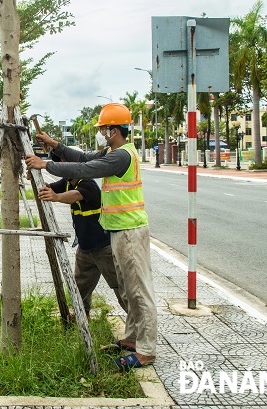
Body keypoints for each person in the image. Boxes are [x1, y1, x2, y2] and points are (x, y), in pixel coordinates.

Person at [26, 103, 157, 371]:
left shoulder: (121, 156)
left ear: (113, 130)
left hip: (130, 232)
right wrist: (55, 145)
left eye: (104, 129)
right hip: (118, 231)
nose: (101, 133)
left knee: (139, 292)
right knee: (129, 290)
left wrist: (47, 163)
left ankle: (146, 351)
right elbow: (83, 158)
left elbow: (85, 170)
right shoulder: (112, 151)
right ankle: (132, 340)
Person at [37, 174, 128, 316]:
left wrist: (56, 197)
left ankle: (138, 324)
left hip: (104, 247)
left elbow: (76, 195)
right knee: (80, 287)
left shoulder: (88, 184)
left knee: (120, 287)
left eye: (66, 162)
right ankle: (81, 314)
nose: (62, 166)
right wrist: (36, 179)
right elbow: (49, 188)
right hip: (85, 247)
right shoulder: (68, 181)